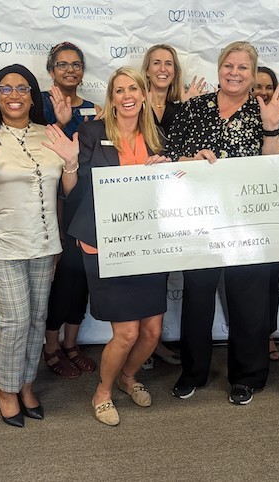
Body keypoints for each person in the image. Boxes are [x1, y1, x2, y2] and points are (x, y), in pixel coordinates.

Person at [167, 41, 279, 405]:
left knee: (248, 302)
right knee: (197, 299)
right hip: (199, 222)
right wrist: (191, 160)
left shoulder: (264, 111)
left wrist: (270, 128)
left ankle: (247, 376)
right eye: (229, 65)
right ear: (219, 68)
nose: (234, 73)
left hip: (248, 224)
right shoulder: (195, 107)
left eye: (242, 67)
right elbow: (171, 157)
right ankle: (193, 372)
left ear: (252, 75)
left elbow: (276, 170)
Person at [0, 64, 78, 428]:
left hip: (44, 242)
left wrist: (71, 164)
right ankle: (6, 390)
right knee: (15, 320)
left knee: (37, 318)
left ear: (32, 96)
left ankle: (25, 383)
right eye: (5, 89)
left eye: (22, 88)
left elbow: (66, 192)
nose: (14, 95)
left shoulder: (50, 134)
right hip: (2, 242)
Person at [58, 66, 170, 425]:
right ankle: (103, 392)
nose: (127, 96)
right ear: (112, 98)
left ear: (143, 94)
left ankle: (127, 377)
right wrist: (70, 164)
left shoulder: (156, 136)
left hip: (148, 243)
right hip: (105, 244)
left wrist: (169, 170)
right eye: (119, 90)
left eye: (132, 88)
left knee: (151, 332)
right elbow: (74, 191)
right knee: (127, 333)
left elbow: (169, 190)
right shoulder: (93, 132)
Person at [140, 43, 207, 369]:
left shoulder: (183, 108)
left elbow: (189, 152)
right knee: (144, 274)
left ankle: (154, 342)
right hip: (140, 200)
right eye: (156, 63)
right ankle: (143, 343)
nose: (163, 68)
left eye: (168, 63)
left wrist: (192, 107)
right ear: (147, 69)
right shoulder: (133, 104)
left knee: (163, 272)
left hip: (173, 202)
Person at [41, 42, 100, 379]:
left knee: (83, 276)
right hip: (51, 203)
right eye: (62, 64)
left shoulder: (95, 110)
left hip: (85, 203)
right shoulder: (38, 106)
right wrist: (62, 123)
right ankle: (51, 347)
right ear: (51, 70)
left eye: (76, 64)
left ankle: (71, 344)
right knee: (61, 279)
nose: (70, 70)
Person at [254, 65, 279, 362]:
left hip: (270, 213)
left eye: (268, 87)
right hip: (237, 216)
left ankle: (268, 334)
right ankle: (248, 335)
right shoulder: (227, 118)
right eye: (257, 86)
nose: (262, 92)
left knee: (270, 279)